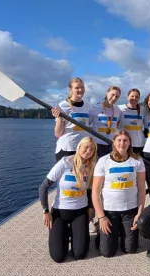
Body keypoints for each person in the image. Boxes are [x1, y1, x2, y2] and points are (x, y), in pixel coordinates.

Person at [51, 77, 99, 234]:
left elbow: (98, 119)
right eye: (77, 88)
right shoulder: (62, 106)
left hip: (84, 152)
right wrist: (59, 117)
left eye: (82, 87)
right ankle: (60, 219)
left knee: (85, 186)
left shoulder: (88, 107)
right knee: (67, 185)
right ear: (70, 90)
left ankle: (86, 219)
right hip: (67, 150)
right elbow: (58, 133)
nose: (80, 90)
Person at [39, 136, 97, 263]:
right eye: (86, 147)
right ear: (79, 147)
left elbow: (91, 190)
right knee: (58, 257)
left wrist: (91, 208)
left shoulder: (91, 166)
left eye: (91, 149)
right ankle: (64, 232)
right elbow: (43, 186)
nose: (88, 151)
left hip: (80, 213)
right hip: (60, 212)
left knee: (80, 253)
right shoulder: (65, 163)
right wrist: (45, 210)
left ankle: (75, 233)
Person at [91, 130, 146, 257]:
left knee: (130, 249)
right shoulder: (104, 161)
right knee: (107, 252)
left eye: (125, 140)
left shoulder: (137, 160)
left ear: (129, 143)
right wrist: (101, 217)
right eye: (119, 140)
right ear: (114, 143)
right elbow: (95, 191)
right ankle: (103, 234)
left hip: (129, 210)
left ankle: (121, 231)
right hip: (109, 211)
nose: (122, 143)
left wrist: (139, 213)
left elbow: (142, 188)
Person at [91, 86, 123, 158]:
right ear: (106, 93)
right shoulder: (94, 108)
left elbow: (116, 125)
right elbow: (87, 124)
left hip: (112, 144)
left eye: (117, 96)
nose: (114, 98)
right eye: (112, 95)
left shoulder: (118, 110)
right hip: (97, 144)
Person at [118, 88, 147, 155]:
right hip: (124, 143)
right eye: (132, 96)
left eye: (137, 97)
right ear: (127, 97)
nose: (134, 98)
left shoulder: (143, 110)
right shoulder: (120, 108)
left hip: (139, 144)